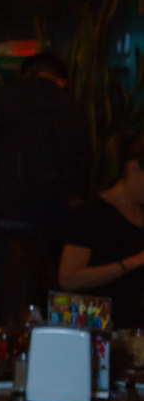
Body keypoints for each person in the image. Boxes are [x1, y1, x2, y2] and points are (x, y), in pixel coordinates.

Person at [0, 53, 89, 321]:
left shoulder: (2, 99)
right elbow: (81, 166)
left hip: (5, 213)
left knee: (2, 292)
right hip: (55, 218)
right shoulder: (70, 106)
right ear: (61, 79)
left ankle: (4, 338)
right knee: (48, 295)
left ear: (25, 74)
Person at [58, 133, 144, 327]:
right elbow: (68, 279)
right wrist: (131, 263)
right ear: (133, 168)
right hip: (98, 327)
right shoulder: (91, 214)